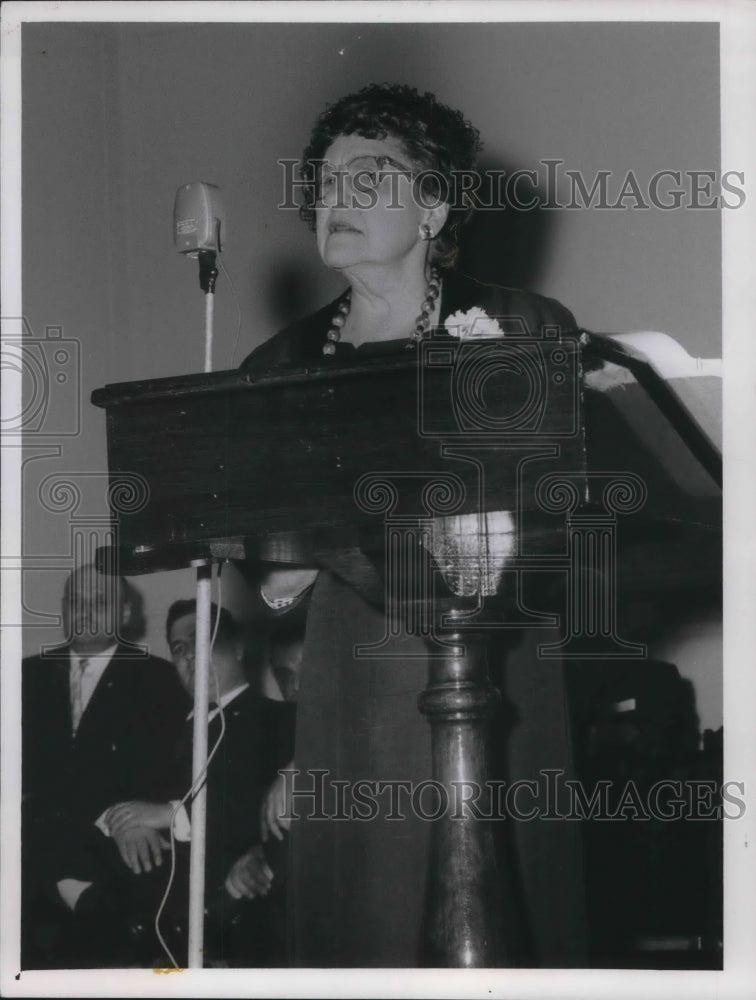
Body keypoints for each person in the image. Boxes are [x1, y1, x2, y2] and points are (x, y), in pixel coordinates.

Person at [239, 83, 586, 967]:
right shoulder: (277, 366)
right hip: (354, 683)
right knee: (371, 921)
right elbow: (277, 585)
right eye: (324, 179)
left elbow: (560, 526)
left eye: (369, 176)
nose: (335, 197)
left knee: (511, 925)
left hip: (499, 667)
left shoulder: (520, 327)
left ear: (433, 204)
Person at [76, 601, 295, 967]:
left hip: (215, 890)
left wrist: (168, 815)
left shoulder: (278, 719)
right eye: (178, 648)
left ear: (238, 646)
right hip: (139, 873)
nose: (189, 655)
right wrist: (123, 821)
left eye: (201, 639)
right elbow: (102, 782)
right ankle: (100, 913)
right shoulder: (155, 725)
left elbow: (260, 811)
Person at [21, 562, 188, 968]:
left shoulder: (159, 678)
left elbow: (165, 770)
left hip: (113, 847)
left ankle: (71, 889)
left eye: (99, 602)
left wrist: (124, 817)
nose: (84, 611)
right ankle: (71, 888)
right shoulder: (24, 676)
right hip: (36, 834)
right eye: (75, 601)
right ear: (62, 608)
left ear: (126, 614)